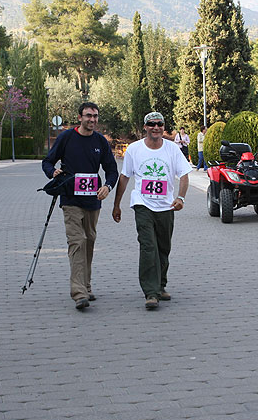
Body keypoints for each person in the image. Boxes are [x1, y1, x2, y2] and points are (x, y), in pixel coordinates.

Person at [42, 102, 118, 310]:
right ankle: (79, 293)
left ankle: (86, 285)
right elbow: (47, 162)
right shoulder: (66, 138)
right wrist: (53, 172)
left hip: (93, 201)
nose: (92, 120)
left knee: (90, 240)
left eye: (95, 116)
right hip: (70, 200)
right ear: (79, 117)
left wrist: (108, 186)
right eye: (88, 116)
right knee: (78, 241)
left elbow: (112, 170)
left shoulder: (100, 141)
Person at [112, 112, 191, 310]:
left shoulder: (172, 149)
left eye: (159, 124)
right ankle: (150, 292)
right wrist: (116, 204)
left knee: (163, 248)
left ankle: (160, 285)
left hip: (166, 206)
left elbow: (184, 175)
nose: (156, 127)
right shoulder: (134, 149)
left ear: (164, 127)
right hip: (143, 205)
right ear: (145, 127)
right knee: (148, 246)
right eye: (151, 124)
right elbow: (124, 177)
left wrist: (180, 198)